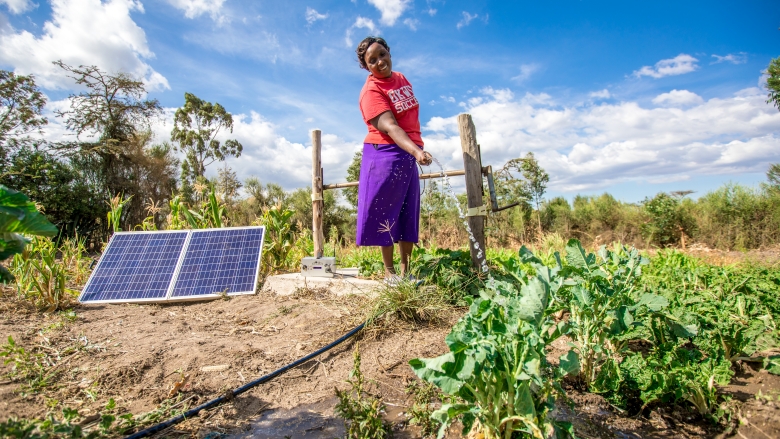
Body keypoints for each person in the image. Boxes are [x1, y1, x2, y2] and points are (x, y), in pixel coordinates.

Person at [355, 36, 432, 284]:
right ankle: (390, 275)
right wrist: (417, 152)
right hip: (385, 153)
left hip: (408, 152)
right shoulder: (370, 91)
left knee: (408, 211)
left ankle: (406, 274)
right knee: (386, 212)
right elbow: (390, 126)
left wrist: (414, 150)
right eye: (372, 60)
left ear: (389, 52)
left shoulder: (401, 78)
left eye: (382, 54)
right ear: (366, 67)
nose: (380, 62)